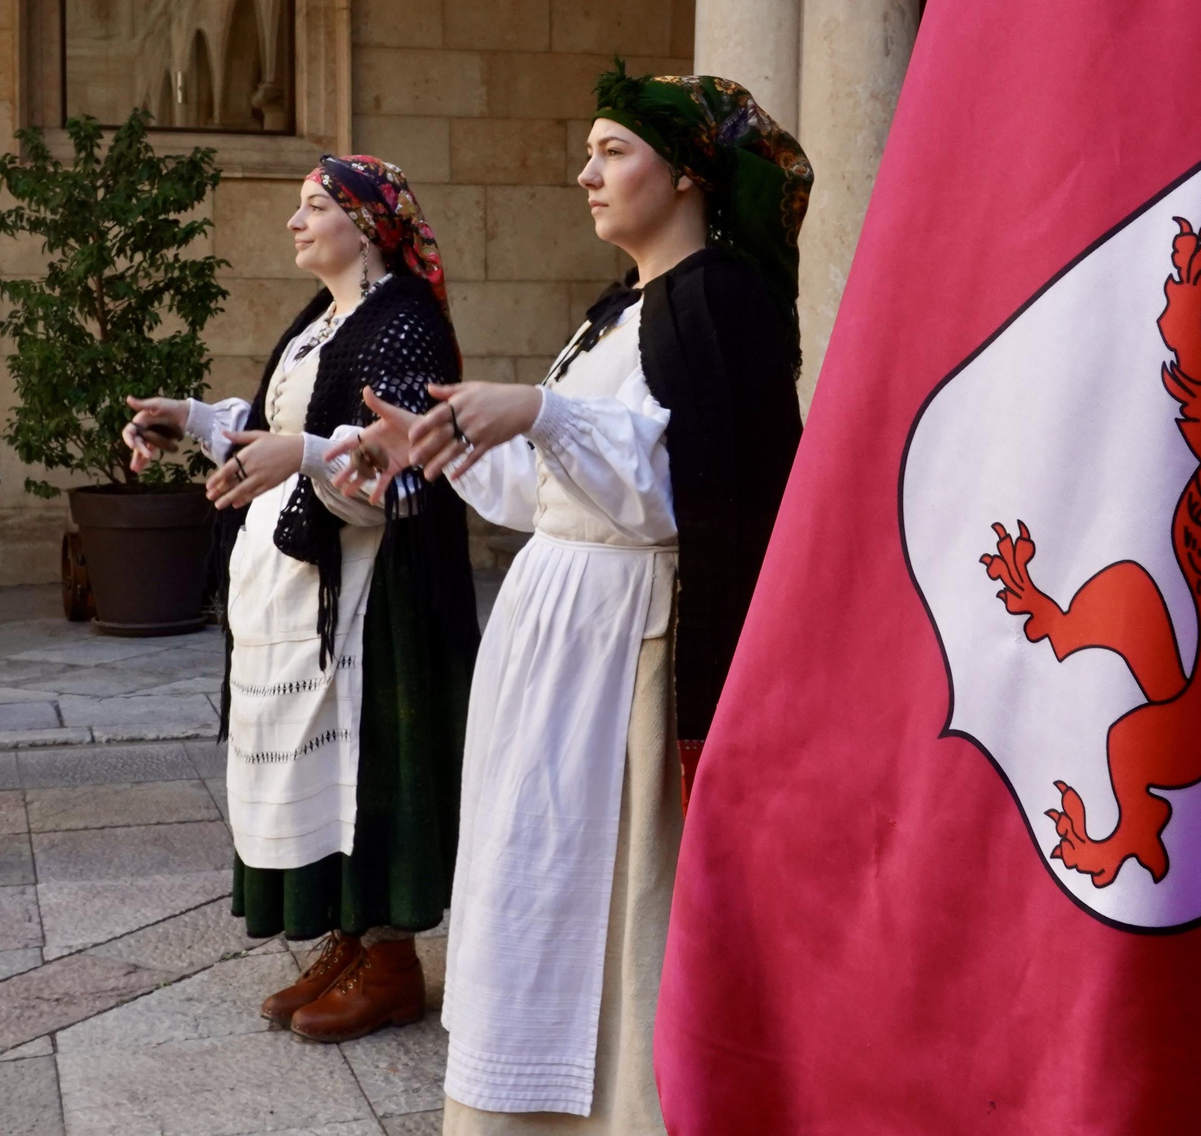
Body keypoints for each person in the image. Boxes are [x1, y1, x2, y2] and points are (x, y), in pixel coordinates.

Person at [344, 65, 808, 1132]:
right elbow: (554, 493)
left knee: (607, 892)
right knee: (533, 880)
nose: (583, 173)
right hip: (556, 641)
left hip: (626, 650)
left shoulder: (720, 302)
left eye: (612, 151)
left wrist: (542, 411)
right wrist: (443, 444)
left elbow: (686, 491)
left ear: (687, 173)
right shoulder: (616, 313)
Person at [123, 155, 477, 1043]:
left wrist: (309, 453)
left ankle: (392, 962)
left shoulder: (406, 323)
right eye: (298, 204)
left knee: (365, 771)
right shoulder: (322, 322)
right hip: (300, 587)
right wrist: (195, 419)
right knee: (316, 774)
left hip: (370, 595)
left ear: (368, 225)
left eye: (315, 205)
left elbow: (397, 472)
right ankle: (349, 940)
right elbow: (286, 437)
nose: (295, 220)